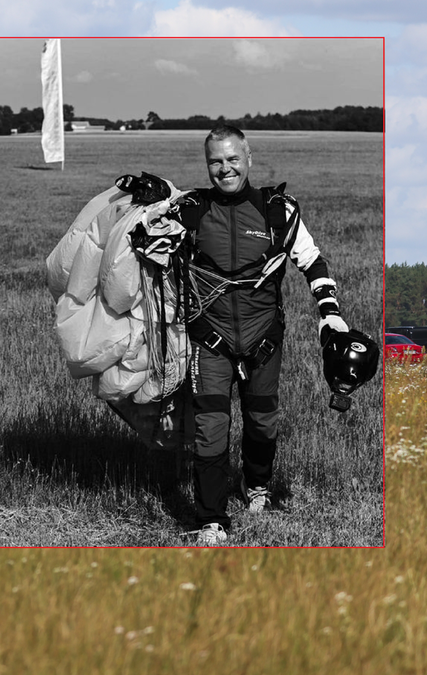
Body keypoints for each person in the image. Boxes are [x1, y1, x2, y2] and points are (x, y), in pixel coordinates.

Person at [178, 125, 348, 546]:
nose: (225, 169)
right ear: (207, 165)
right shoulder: (191, 210)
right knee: (210, 423)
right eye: (215, 161)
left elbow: (311, 259)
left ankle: (256, 485)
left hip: (263, 338)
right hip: (210, 338)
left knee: (261, 420)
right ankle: (212, 518)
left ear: (249, 158)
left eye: (233, 159)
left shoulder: (277, 211)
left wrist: (330, 315)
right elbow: (147, 240)